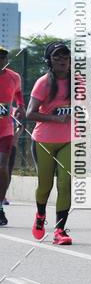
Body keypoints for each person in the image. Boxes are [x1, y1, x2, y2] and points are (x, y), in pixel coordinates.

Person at [27, 42, 73, 245]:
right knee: (45, 185)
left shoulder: (79, 83)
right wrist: (55, 118)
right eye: (57, 57)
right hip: (43, 141)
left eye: (65, 56)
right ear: (49, 61)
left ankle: (60, 231)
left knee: (66, 184)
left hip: (69, 141)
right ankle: (40, 215)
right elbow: (30, 113)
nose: (62, 60)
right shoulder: (43, 83)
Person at [0, 46, 25, 227]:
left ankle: (0, 205)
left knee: (3, 166)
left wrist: (21, 106)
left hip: (5, 130)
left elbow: (18, 94)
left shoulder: (14, 77)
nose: (0, 60)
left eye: (3, 57)